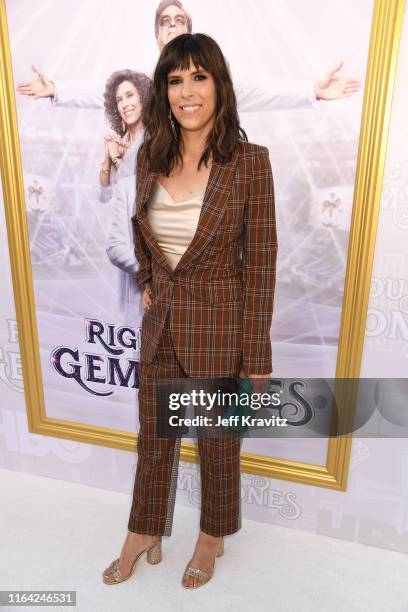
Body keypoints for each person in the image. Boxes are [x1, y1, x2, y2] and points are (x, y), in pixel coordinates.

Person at [102, 33, 278, 589]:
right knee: (153, 442)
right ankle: (143, 529)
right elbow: (140, 229)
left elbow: (263, 265)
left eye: (198, 77)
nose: (186, 92)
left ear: (219, 84)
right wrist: (152, 279)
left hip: (222, 329)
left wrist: (257, 355)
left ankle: (212, 535)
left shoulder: (250, 163)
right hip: (161, 329)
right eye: (175, 81)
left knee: (217, 445)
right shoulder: (149, 157)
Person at [16, 1, 360, 112]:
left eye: (180, 20)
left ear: (190, 29)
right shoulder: (142, 77)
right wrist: (56, 90)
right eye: (165, 22)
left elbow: (255, 91)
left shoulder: (210, 72)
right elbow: (105, 92)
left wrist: (311, 91)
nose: (173, 25)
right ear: (156, 34)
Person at [97, 70, 151, 320]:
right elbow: (104, 195)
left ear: (143, 98)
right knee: (129, 320)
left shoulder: (153, 138)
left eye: (130, 95)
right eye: (119, 99)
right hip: (124, 242)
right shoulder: (119, 141)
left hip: (147, 243)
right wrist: (108, 158)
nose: (125, 104)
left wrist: (121, 158)